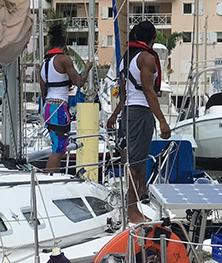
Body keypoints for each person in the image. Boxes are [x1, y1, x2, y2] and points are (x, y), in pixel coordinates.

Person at [106, 20, 170, 224]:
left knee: (137, 159)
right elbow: (149, 91)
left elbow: (124, 94)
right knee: (134, 164)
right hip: (141, 113)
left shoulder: (126, 59)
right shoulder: (146, 58)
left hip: (127, 111)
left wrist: (115, 113)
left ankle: (140, 196)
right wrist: (162, 120)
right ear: (152, 38)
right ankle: (132, 211)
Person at [39, 25, 93, 173]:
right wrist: (87, 68)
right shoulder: (64, 60)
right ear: (64, 47)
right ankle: (51, 180)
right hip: (58, 107)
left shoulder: (44, 65)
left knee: (58, 148)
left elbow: (43, 92)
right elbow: (79, 82)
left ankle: (52, 178)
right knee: (58, 150)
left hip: (48, 107)